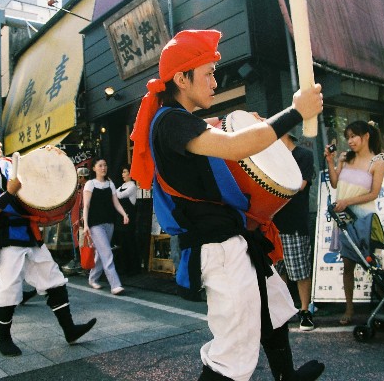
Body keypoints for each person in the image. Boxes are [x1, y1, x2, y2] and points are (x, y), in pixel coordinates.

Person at [130, 29, 325, 381]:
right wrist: (295, 112)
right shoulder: (171, 122)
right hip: (217, 246)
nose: (214, 83)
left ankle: (286, 376)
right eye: (207, 74)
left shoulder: (181, 121)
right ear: (181, 78)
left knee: (272, 308)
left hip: (232, 239)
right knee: (233, 349)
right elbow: (235, 147)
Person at [0, 119, 96, 356]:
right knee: (9, 288)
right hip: (4, 239)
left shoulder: (6, 165)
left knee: (53, 278)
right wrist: (9, 192)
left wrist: (50, 154)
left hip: (28, 233)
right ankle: (3, 340)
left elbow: (36, 166)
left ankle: (70, 330)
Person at [325, 120, 384, 326]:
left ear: (366, 136)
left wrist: (347, 202)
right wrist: (330, 161)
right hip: (344, 219)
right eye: (348, 137)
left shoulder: (377, 162)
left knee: (373, 265)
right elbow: (334, 183)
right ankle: (349, 307)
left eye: (353, 136)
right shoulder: (345, 158)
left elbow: (374, 193)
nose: (350, 141)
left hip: (364, 219)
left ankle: (381, 307)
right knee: (348, 264)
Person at [273, 133, 315, 331]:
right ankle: (286, 310)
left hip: (294, 221)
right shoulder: (272, 157)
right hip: (272, 222)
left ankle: (305, 311)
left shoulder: (303, 155)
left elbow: (300, 186)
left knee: (299, 270)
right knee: (278, 271)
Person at [83, 157, 128, 295]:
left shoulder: (110, 184)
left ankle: (92, 278)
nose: (103, 168)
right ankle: (115, 285)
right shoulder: (90, 184)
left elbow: (116, 203)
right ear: (94, 168)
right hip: (95, 224)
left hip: (109, 222)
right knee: (107, 253)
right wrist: (85, 224)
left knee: (101, 252)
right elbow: (86, 205)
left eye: (105, 165)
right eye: (100, 165)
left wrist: (124, 214)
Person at [115, 164, 139, 275]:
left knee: (130, 243)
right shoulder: (121, 186)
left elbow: (119, 196)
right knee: (122, 243)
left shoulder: (132, 186)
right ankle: (124, 267)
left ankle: (133, 268)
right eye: (122, 172)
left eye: (125, 172)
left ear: (130, 173)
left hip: (129, 218)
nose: (123, 174)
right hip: (120, 219)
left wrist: (114, 192)